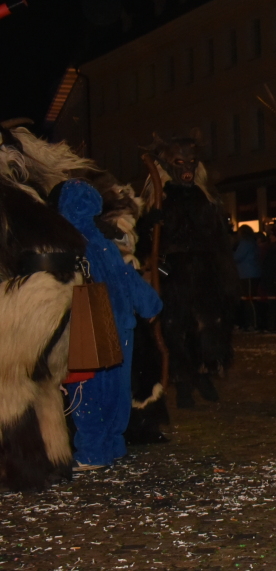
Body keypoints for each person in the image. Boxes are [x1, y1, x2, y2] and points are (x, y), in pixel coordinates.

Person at [56, 179, 163, 470]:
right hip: (124, 323)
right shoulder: (104, 241)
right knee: (118, 386)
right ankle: (115, 443)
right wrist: (150, 305)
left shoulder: (69, 244)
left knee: (90, 388)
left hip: (93, 324)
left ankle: (93, 451)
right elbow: (127, 275)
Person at [233, 224, 262, 330]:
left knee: (249, 299)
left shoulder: (245, 243)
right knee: (249, 299)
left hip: (247, 274)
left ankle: (254, 323)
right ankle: (252, 322)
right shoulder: (252, 243)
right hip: (250, 273)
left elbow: (237, 257)